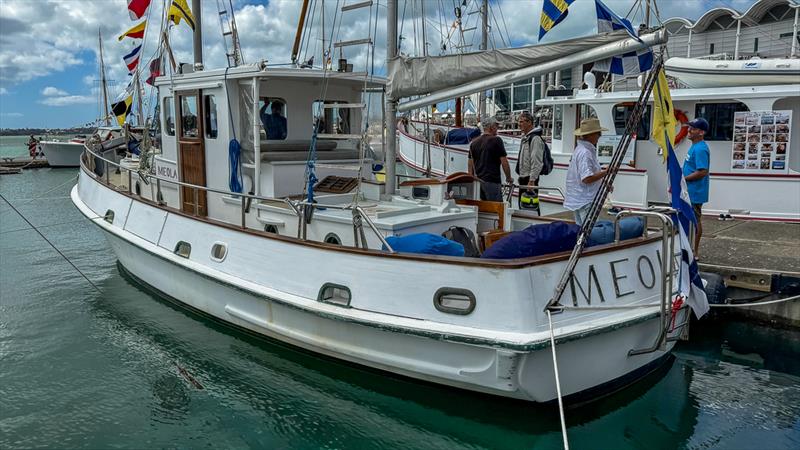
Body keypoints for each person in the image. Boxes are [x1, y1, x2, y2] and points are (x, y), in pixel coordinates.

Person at [564, 118, 608, 225]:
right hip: (586, 200)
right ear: (591, 135)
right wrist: (607, 172)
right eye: (598, 134)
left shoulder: (579, 150)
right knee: (590, 232)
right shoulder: (585, 153)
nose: (599, 137)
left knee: (580, 231)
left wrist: (604, 183)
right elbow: (587, 179)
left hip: (578, 199)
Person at [683, 117, 710, 258]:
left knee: (695, 220)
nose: (689, 130)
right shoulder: (694, 146)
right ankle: (688, 247)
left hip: (695, 192)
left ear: (701, 132)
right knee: (688, 219)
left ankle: (694, 251)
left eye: (692, 128)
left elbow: (702, 171)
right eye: (689, 127)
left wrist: (683, 179)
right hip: (689, 191)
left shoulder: (700, 149)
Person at [468, 116, 513, 201]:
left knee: (484, 209)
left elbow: (470, 166)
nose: (497, 129)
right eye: (496, 126)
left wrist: (472, 180)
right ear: (491, 127)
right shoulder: (496, 140)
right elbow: (504, 162)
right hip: (492, 181)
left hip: (479, 182)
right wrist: (509, 178)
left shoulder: (473, 143)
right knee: (496, 209)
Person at [516, 112, 545, 207]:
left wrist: (532, 180)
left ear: (529, 123)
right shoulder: (526, 138)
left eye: (521, 122)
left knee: (530, 206)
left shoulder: (535, 139)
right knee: (523, 205)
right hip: (524, 178)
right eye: (519, 122)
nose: (519, 124)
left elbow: (536, 161)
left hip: (529, 179)